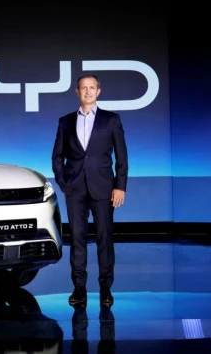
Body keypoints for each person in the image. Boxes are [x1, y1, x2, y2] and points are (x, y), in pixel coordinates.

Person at [51, 74, 128, 307]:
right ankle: (79, 288)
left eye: (91, 87)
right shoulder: (65, 121)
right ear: (77, 91)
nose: (87, 91)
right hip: (75, 189)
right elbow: (57, 156)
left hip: (104, 188)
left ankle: (106, 288)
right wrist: (64, 183)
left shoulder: (111, 120)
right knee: (77, 239)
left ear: (98, 91)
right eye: (83, 88)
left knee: (105, 238)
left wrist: (120, 187)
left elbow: (122, 157)